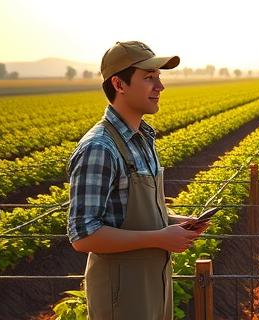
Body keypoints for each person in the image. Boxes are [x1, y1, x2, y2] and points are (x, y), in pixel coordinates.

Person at [66, 41, 207, 320]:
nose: (160, 86)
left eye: (158, 77)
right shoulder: (100, 148)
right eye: (149, 78)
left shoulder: (143, 139)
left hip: (154, 286)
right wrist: (160, 238)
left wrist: (176, 222)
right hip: (122, 296)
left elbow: (130, 213)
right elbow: (83, 235)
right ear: (119, 84)